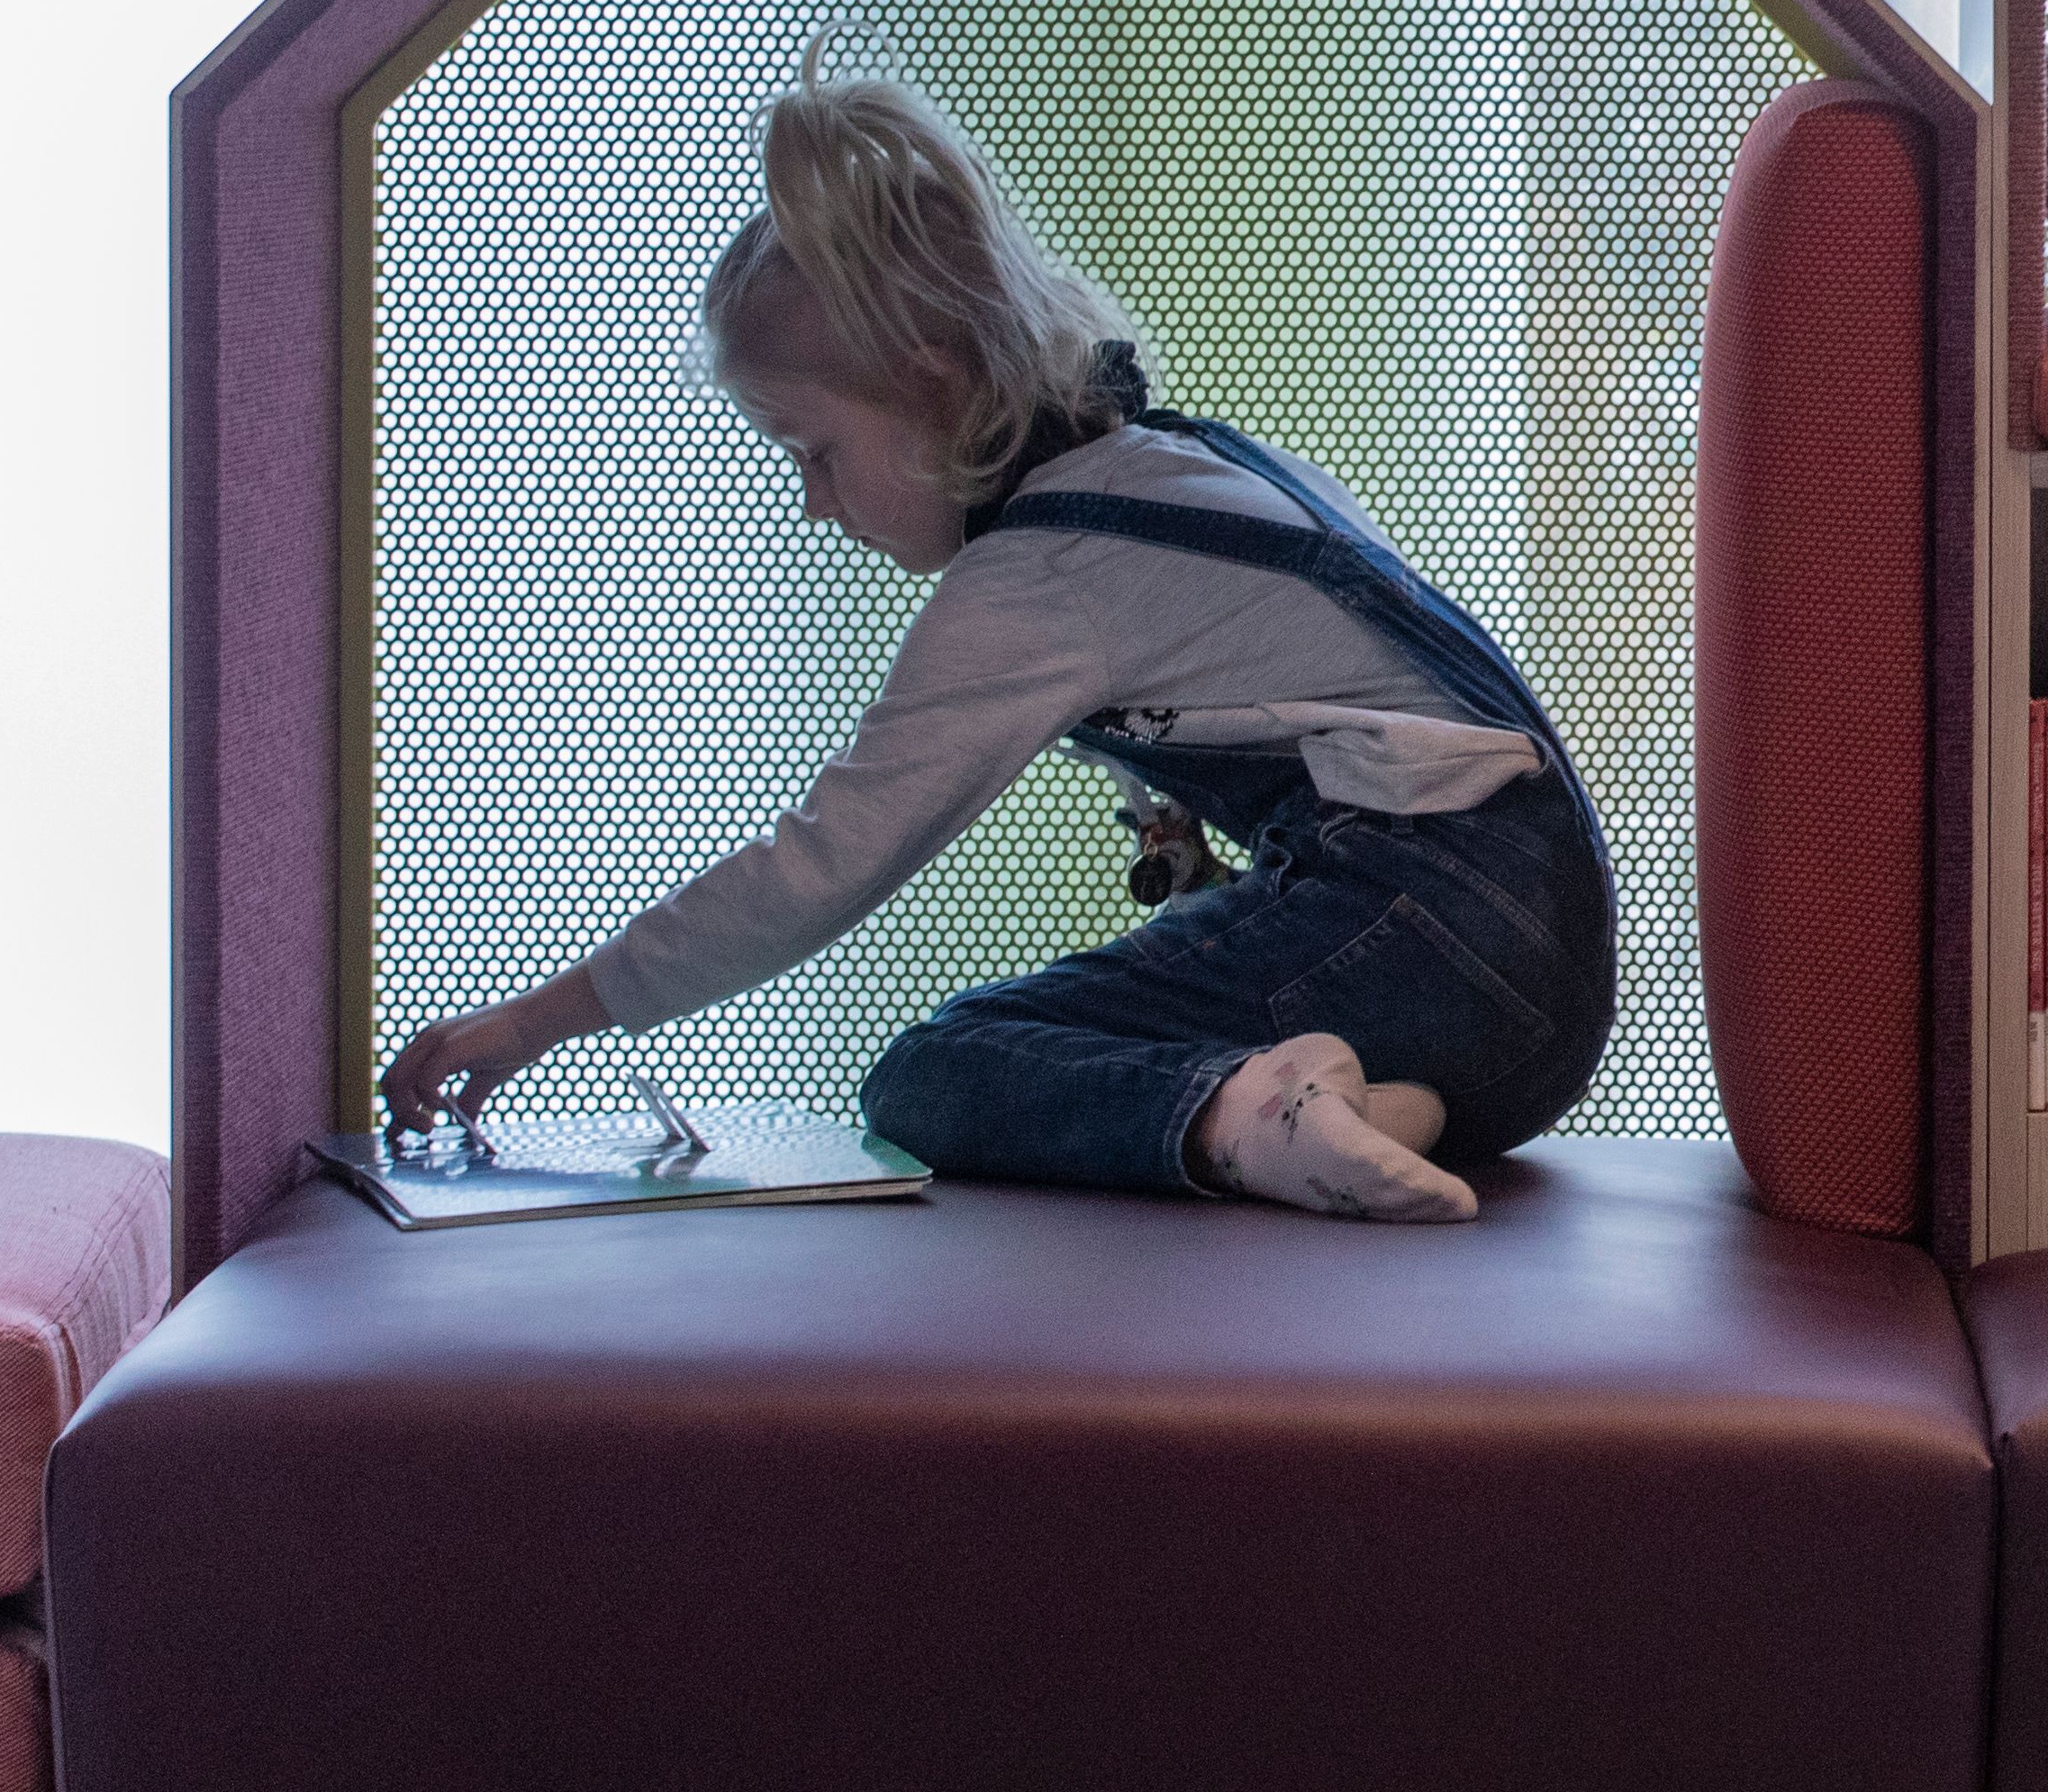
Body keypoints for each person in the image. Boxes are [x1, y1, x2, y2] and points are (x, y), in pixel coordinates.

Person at [375, 69, 1611, 1225]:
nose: (815, 504)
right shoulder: (1177, 466)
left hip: (1430, 923)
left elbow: (825, 865)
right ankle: (1333, 1114)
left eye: (816, 451)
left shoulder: (1040, 573)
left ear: (936, 384)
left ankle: (1238, 1113)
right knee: (1100, 1016)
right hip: (1533, 1002)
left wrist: (541, 1020)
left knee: (936, 1071)